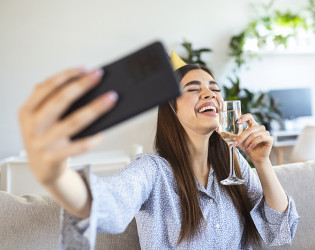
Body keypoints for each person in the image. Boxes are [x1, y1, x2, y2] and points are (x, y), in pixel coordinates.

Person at [18, 51, 299, 249]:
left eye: (214, 88)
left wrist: (262, 163)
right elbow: (109, 205)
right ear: (171, 109)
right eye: (193, 88)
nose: (209, 93)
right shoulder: (153, 170)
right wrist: (55, 175)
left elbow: (280, 232)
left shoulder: (234, 163)